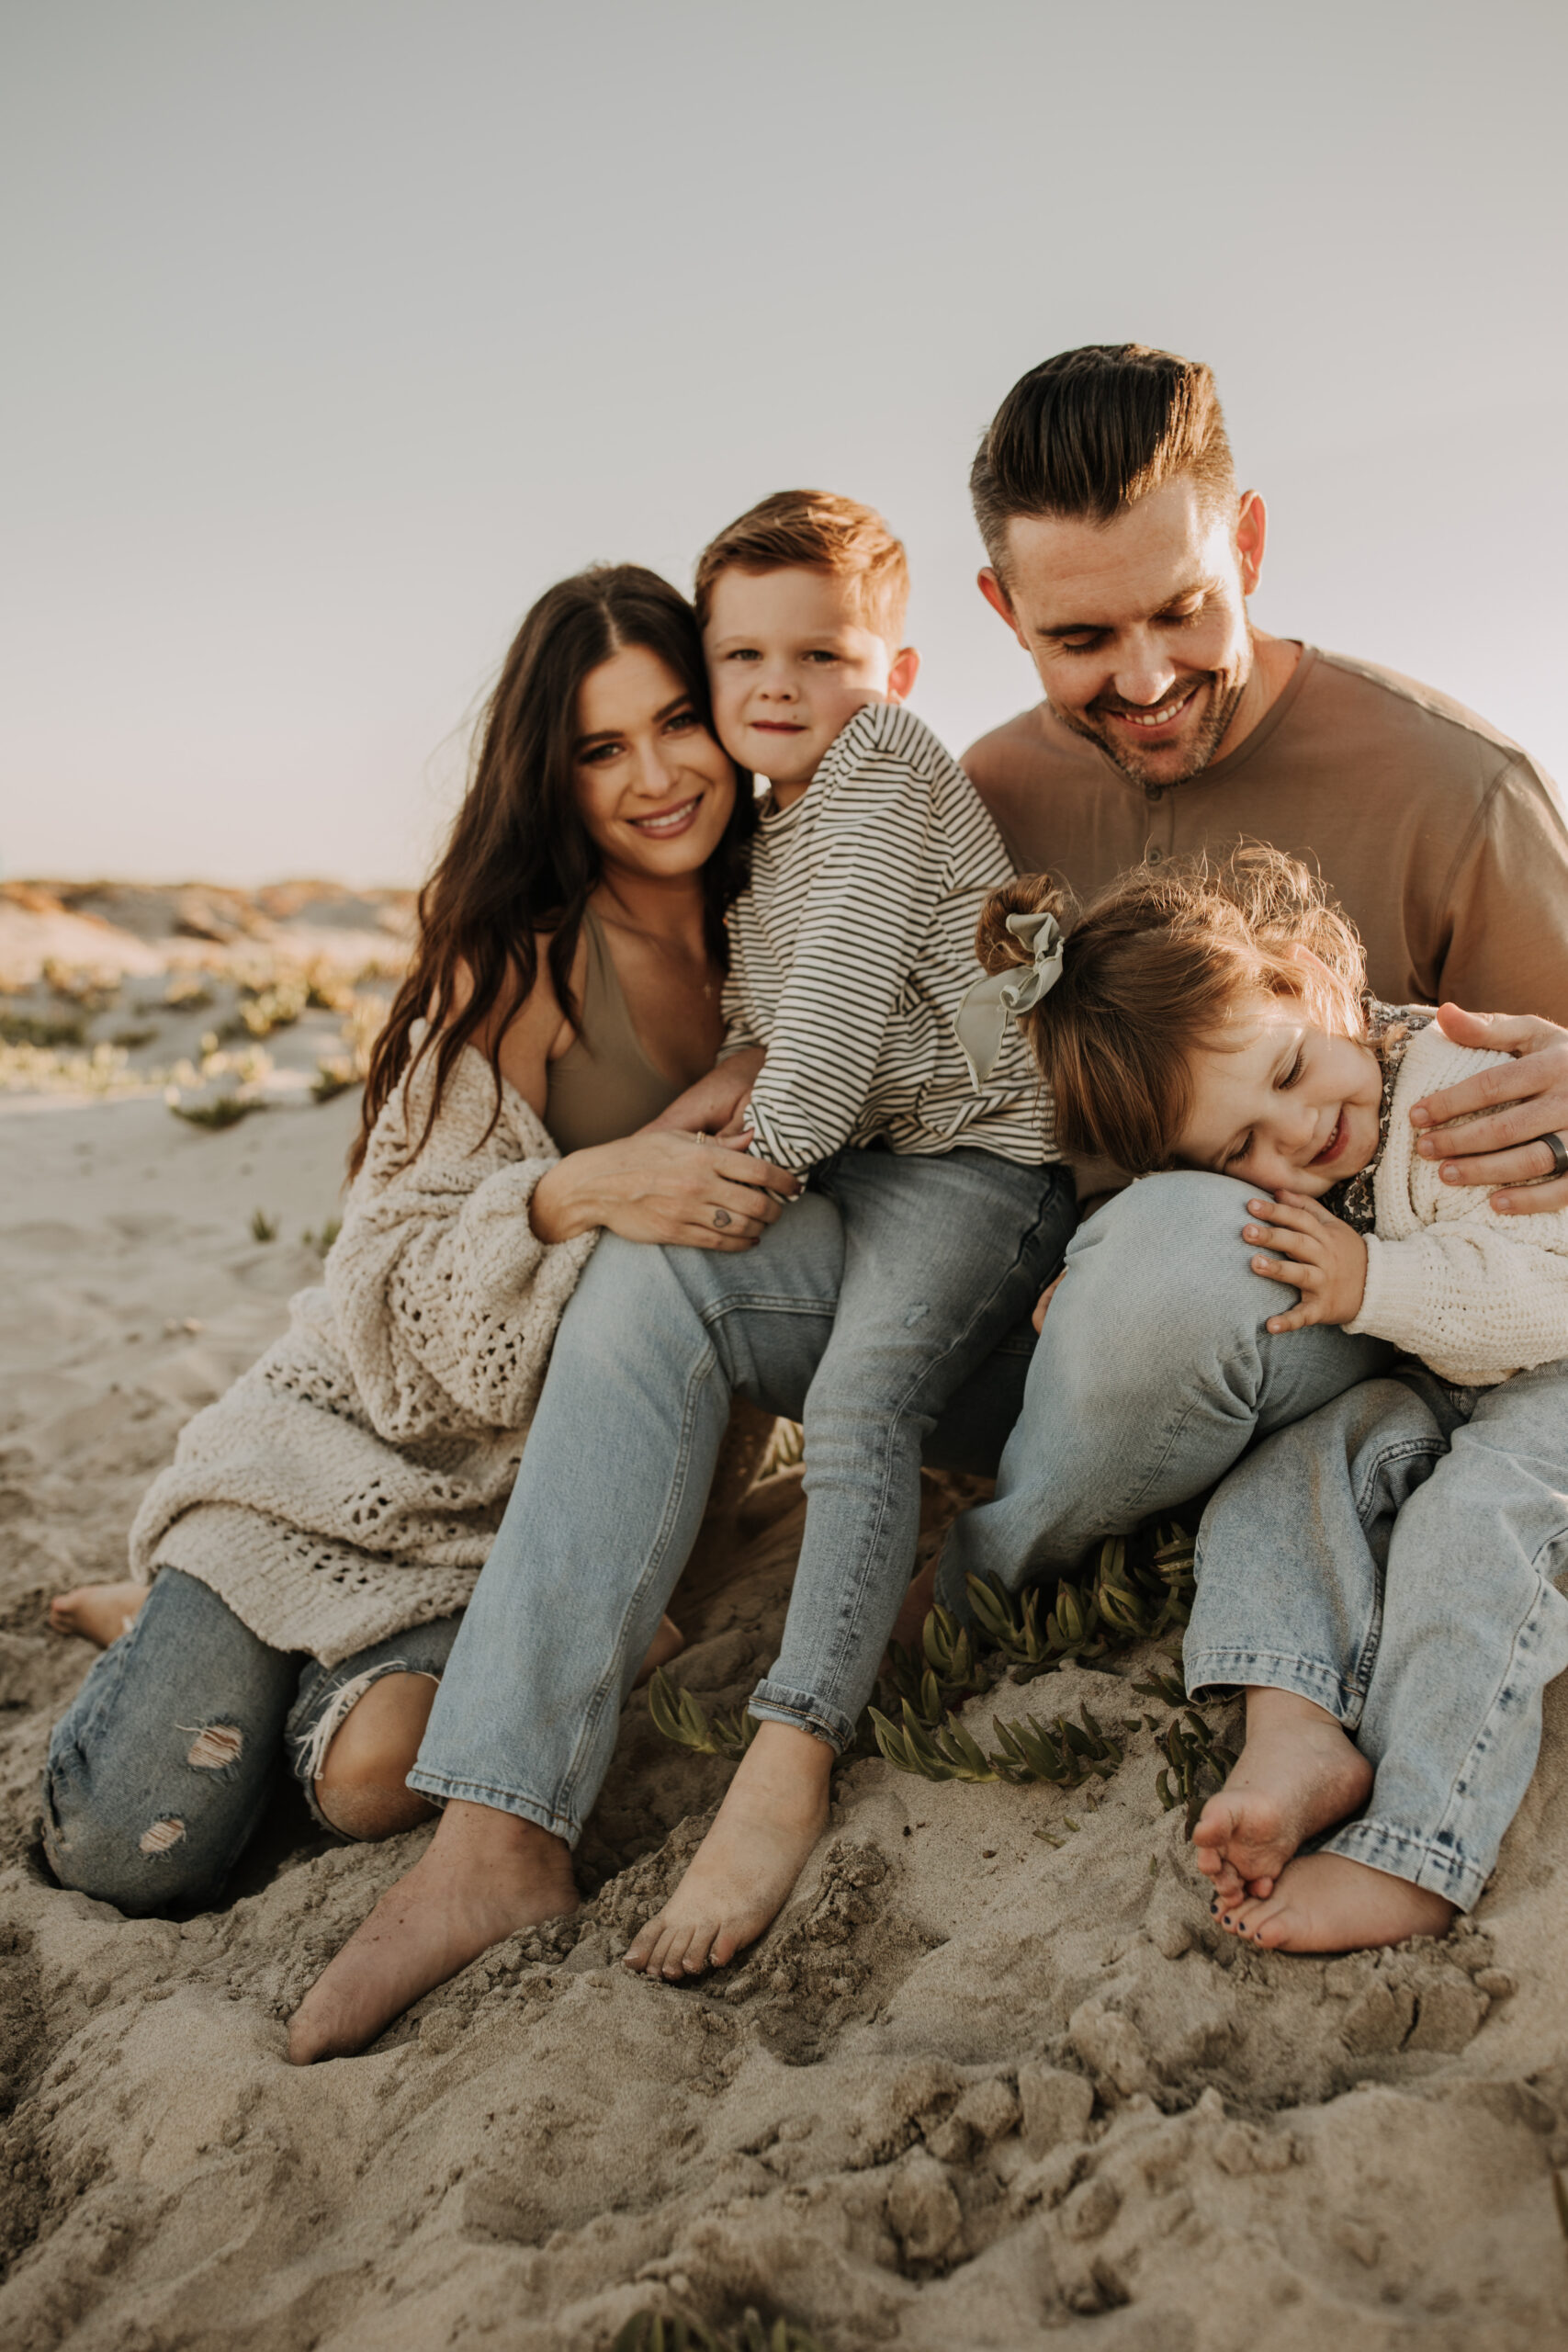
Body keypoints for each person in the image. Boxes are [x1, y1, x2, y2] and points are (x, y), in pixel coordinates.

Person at [285, 347, 1568, 2059]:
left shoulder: (1451, 787)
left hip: (1318, 1311)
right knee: (669, 1267)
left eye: (1178, 611)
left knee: (1176, 1242)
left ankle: (967, 1584)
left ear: (1246, 542)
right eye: (1078, 640)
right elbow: (828, 1019)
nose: (1142, 675)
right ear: (993, 608)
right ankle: (495, 1823)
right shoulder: (971, 788)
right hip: (1006, 1311)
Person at [286, 492, 1072, 2056]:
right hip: (871, 1178)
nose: (775, 688)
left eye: (822, 655)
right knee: (647, 1275)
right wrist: (682, 1139)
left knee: (856, 1400)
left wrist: (743, 1139)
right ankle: (494, 1836)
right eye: (743, 658)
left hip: (979, 1184)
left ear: (896, 669)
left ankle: (786, 1760)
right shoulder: (786, 815)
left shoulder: (876, 785)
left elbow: (838, 1033)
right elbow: (796, 1024)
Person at [41, 564, 801, 1915]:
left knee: (374, 1778)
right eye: (600, 748)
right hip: (346, 1459)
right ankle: (184, 1607)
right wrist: (576, 1191)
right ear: (551, 774)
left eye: (679, 721)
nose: (655, 776)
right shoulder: (517, 961)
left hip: (528, 1521)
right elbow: (385, 1284)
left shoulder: (791, 932)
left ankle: (225, 1644)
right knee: (132, 1851)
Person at [960, 846, 1568, 1953]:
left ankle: (1419, 1846)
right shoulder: (1304, 1126)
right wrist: (1107, 1270)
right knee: (1281, 1482)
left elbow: (1544, 1293)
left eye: (1289, 1073)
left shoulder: (1448, 1082)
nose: (1294, 1135)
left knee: (1471, 1529)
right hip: (1448, 1371)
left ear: (1310, 981)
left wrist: (1375, 1282)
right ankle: (1294, 1729)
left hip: (1551, 1374)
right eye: (1239, 1148)